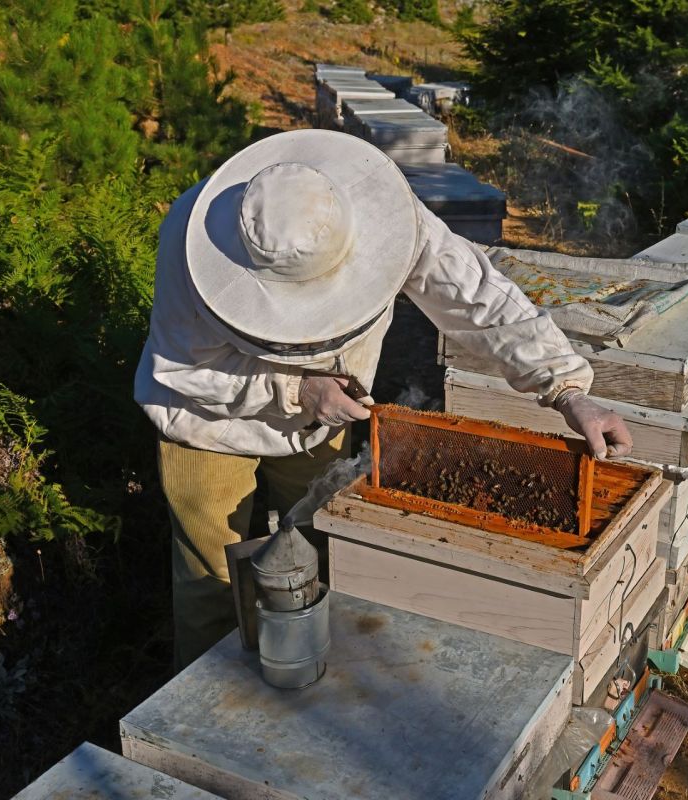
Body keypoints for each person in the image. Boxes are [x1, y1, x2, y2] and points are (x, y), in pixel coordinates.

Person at [135, 129, 633, 668]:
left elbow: (476, 297)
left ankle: (304, 678)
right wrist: (298, 388)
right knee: (212, 581)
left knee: (318, 548)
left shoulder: (374, 207)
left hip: (319, 420)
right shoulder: (190, 242)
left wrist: (565, 388)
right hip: (207, 423)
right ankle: (209, 697)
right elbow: (184, 371)